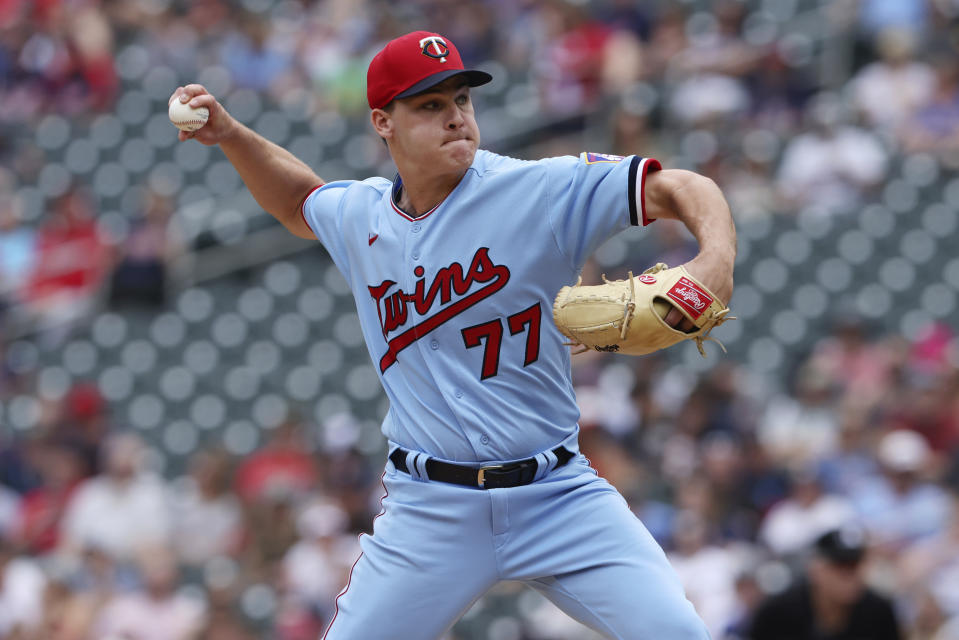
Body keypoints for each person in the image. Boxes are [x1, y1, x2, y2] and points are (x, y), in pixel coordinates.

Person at [169, 29, 736, 639]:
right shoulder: (361, 215)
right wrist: (230, 135)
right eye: (431, 106)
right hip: (430, 509)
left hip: (557, 495)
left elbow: (684, 187)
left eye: (461, 100)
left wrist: (714, 261)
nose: (456, 118)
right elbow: (301, 202)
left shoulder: (538, 189)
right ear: (383, 122)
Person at [749, 526, 901, 640]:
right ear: (816, 569)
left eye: (856, 565)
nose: (851, 575)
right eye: (841, 566)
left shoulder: (879, 612)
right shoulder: (777, 612)